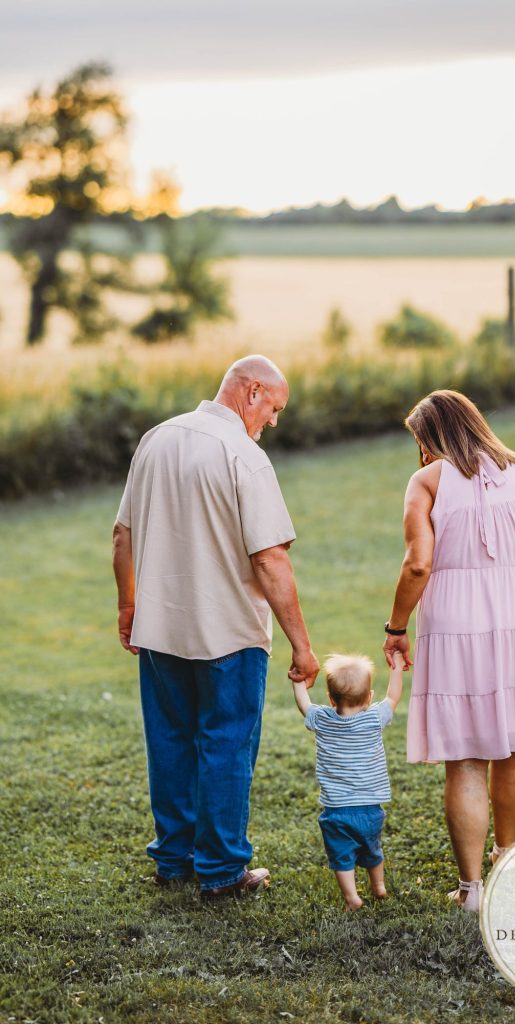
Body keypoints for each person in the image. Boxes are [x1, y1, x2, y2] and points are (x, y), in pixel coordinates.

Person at [112, 355, 319, 901]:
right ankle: (224, 871)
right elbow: (271, 559)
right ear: (251, 392)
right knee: (226, 743)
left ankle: (174, 859)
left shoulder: (155, 439)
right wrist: (302, 644)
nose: (274, 420)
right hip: (228, 632)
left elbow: (121, 535)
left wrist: (127, 607)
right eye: (274, 407)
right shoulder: (242, 456)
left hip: (160, 628)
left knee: (171, 741)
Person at [383, 389, 515, 913]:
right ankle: (506, 861)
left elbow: (418, 564)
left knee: (465, 757)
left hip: (458, 623)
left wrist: (396, 626)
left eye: (420, 441)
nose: (419, 453)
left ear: (431, 439)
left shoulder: (428, 481)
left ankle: (472, 892)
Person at [292, 652, 404, 910]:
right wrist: (396, 669)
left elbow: (304, 704)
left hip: (337, 811)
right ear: (369, 698)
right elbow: (394, 697)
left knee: (342, 856)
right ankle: (379, 887)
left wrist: (298, 680)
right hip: (370, 809)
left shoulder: (322, 719)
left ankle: (352, 897)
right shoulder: (374, 718)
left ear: (331, 698)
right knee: (372, 849)